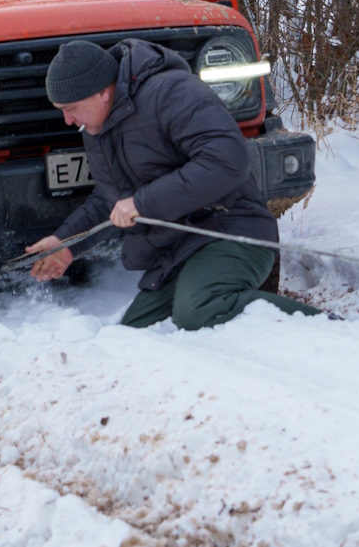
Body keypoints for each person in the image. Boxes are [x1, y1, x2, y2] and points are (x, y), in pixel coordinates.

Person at [27, 38, 321, 330]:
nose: (67, 120)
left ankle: (331, 330)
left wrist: (143, 203)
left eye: (71, 107)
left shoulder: (170, 92)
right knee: (133, 334)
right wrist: (66, 243)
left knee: (199, 310)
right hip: (176, 251)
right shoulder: (97, 127)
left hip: (231, 229)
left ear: (103, 91)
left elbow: (227, 159)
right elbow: (112, 201)